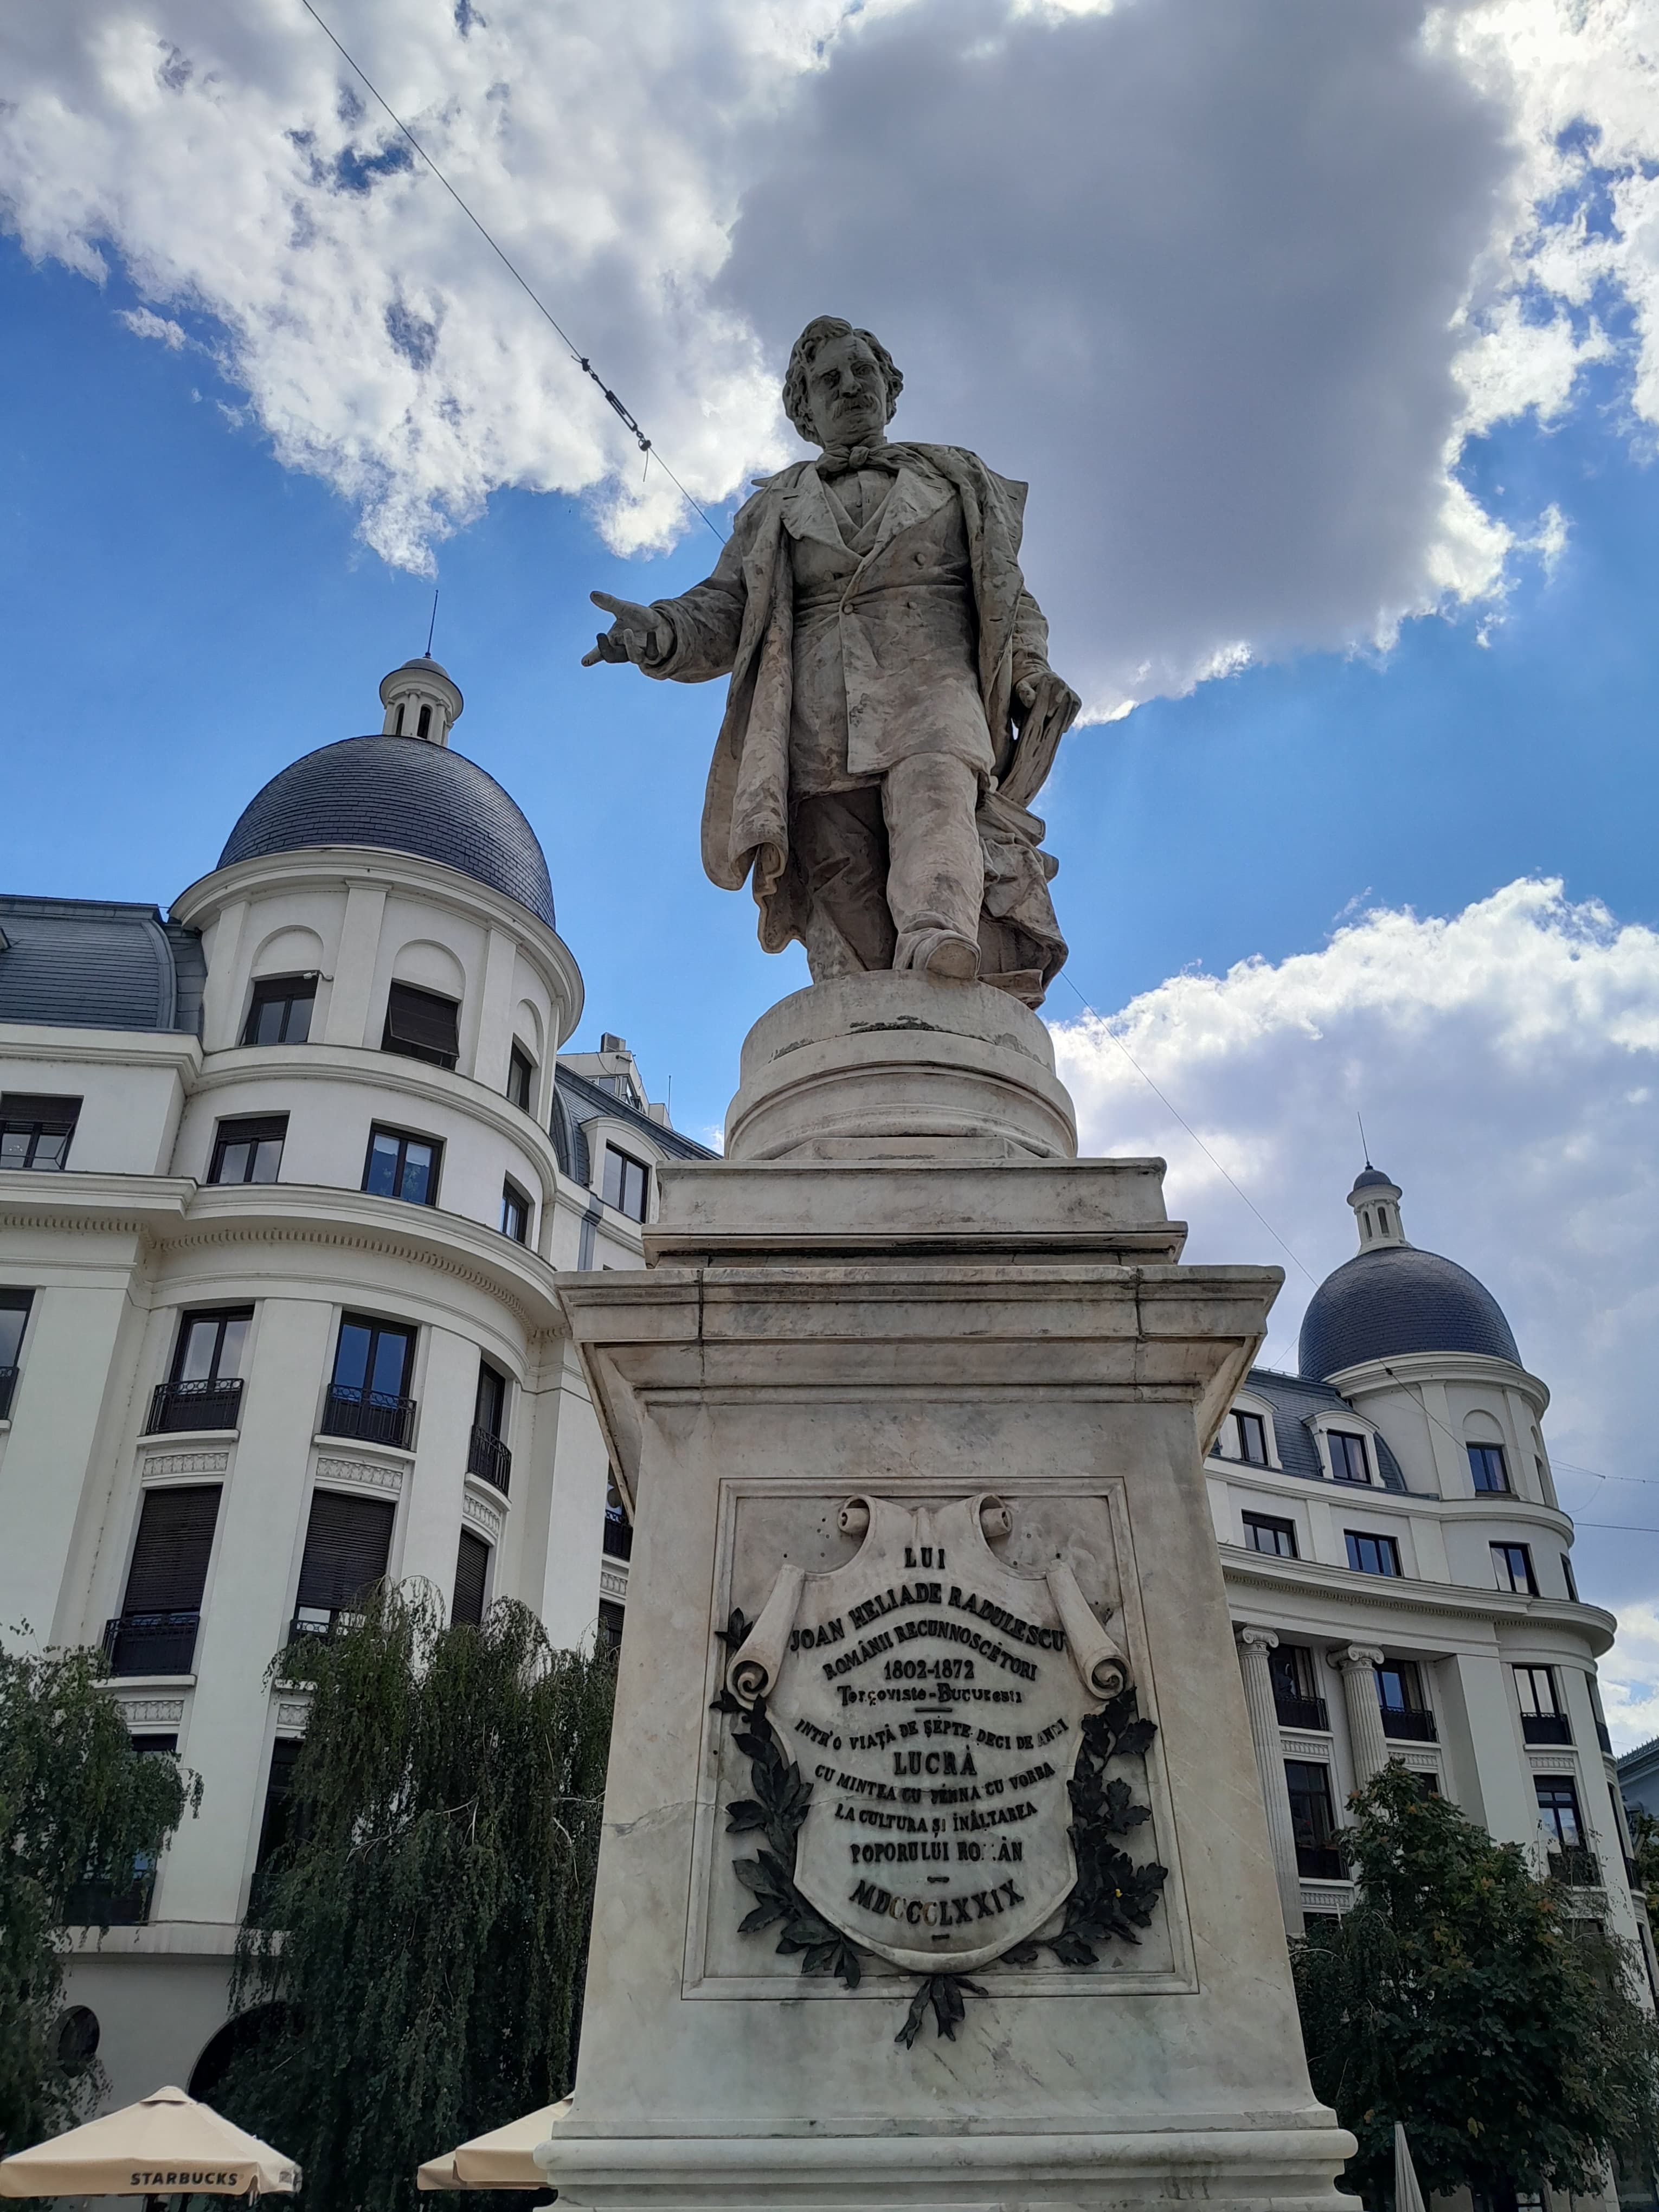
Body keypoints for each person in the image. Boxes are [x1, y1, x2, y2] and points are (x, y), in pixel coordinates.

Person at [582, 315, 1080, 1004]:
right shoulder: (775, 508)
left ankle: (938, 936)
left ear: (889, 387)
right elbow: (726, 607)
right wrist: (659, 633)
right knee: (833, 857)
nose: (850, 386)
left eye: (862, 371)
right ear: (805, 411)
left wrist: (1029, 671)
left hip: (932, 675)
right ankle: (867, 991)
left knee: (935, 795)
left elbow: (1007, 594)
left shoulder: (956, 479)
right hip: (815, 704)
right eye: (829, 379)